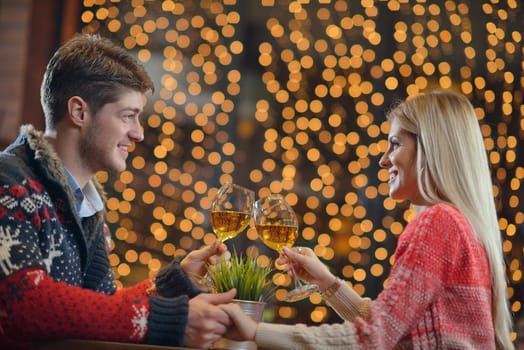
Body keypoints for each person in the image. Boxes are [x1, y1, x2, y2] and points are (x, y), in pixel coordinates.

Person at [220, 90, 515, 349]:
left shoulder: (437, 223)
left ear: (429, 149)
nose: (384, 160)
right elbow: (393, 326)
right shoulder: (462, 225)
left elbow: (373, 339)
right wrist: (326, 282)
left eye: (395, 144)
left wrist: (256, 331)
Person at [0, 33, 237, 349]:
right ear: (79, 112)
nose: (138, 134)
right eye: (129, 116)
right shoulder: (9, 181)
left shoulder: (86, 205)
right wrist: (168, 319)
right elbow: (25, 303)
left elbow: (97, 307)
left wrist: (173, 283)